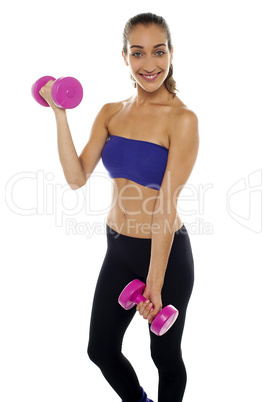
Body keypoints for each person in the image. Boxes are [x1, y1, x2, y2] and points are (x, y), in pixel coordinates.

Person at [39, 12, 199, 402]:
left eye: (158, 52)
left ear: (171, 54)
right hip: (119, 246)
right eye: (138, 53)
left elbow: (165, 206)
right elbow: (77, 176)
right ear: (124, 56)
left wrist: (156, 284)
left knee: (163, 353)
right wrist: (59, 113)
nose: (149, 64)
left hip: (165, 251)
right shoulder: (111, 112)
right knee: (101, 350)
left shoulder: (182, 120)